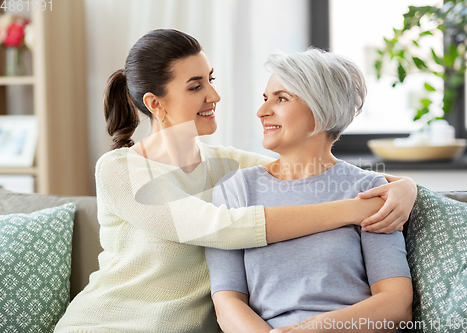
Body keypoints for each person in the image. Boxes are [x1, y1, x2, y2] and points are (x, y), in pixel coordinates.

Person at [55, 30, 415, 333]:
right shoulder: (119, 170)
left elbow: (313, 170)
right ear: (156, 104)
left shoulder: (228, 166)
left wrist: (405, 187)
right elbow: (222, 227)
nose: (214, 96)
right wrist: (352, 209)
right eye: (195, 86)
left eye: (211, 80)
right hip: (107, 324)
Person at [205, 49, 413, 332]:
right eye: (265, 99)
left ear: (321, 109)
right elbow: (227, 303)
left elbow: (396, 305)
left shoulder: (368, 190)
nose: (262, 111)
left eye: (281, 98)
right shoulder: (236, 190)